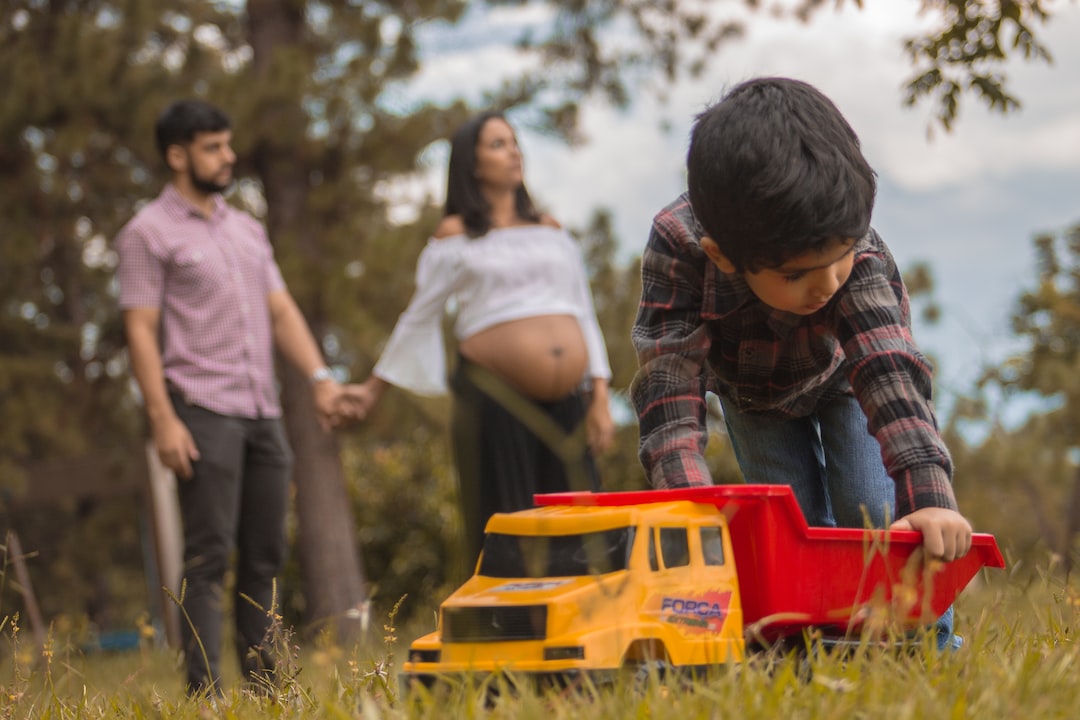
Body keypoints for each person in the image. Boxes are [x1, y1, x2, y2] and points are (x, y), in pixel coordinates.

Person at [630, 77, 972, 647]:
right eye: (796, 275)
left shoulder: (857, 254)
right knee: (790, 527)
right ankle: (811, 643)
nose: (828, 285)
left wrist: (929, 496)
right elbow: (669, 380)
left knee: (872, 512)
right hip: (752, 396)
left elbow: (888, 371)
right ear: (723, 256)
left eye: (840, 261)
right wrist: (688, 505)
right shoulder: (679, 247)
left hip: (847, 379)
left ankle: (925, 645)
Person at [115, 99, 344, 696]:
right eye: (213, 147)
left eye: (227, 144)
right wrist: (162, 419)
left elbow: (281, 309)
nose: (228, 156)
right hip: (201, 410)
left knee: (265, 555)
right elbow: (140, 329)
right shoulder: (146, 233)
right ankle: (206, 695)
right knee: (208, 557)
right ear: (178, 155)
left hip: (262, 411)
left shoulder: (246, 229)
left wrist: (320, 378)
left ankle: (266, 690)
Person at [344, 111, 615, 565]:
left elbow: (582, 309)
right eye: (497, 144)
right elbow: (419, 316)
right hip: (496, 395)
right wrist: (373, 390)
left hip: (567, 400)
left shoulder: (550, 229)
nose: (513, 152)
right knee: (511, 528)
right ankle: (513, 610)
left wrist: (599, 395)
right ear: (472, 165)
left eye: (514, 142)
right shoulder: (456, 235)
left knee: (580, 529)